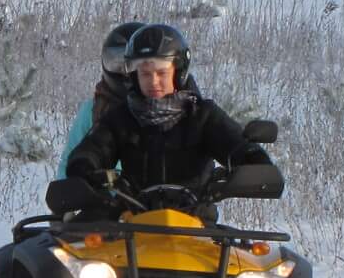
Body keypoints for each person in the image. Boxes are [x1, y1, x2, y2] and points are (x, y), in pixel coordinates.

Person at [65, 24, 266, 198]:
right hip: (134, 219)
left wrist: (252, 158)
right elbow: (96, 147)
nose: (153, 82)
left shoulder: (202, 116)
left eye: (161, 73)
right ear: (134, 77)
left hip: (195, 220)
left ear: (178, 73)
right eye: (145, 74)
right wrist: (84, 166)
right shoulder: (122, 117)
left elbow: (232, 141)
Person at [58, 20, 145, 177]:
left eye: (133, 65)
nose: (125, 72)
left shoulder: (165, 108)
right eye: (118, 63)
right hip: (106, 191)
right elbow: (69, 161)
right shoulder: (93, 109)